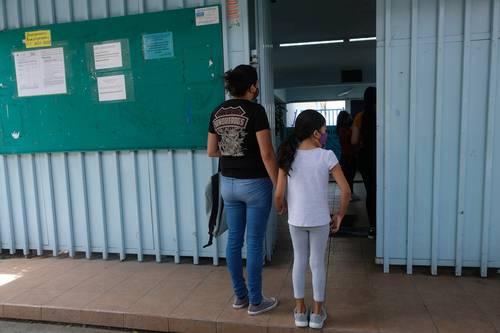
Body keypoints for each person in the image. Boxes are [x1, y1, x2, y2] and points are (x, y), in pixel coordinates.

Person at [207, 64, 279, 316]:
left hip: (228, 184)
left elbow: (211, 150)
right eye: (256, 83)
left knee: (234, 240)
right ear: (251, 86)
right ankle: (256, 301)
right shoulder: (256, 111)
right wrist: (279, 186)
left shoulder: (217, 112)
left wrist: (233, 151)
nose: (257, 87)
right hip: (255, 184)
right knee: (255, 242)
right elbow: (267, 154)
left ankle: (240, 296)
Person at [274, 110, 351, 329]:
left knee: (299, 261)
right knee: (317, 264)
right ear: (316, 133)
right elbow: (345, 191)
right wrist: (340, 215)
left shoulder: (288, 156)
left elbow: (279, 194)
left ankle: (300, 312)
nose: (326, 135)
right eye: (325, 131)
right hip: (319, 221)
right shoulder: (326, 156)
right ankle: (317, 315)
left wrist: (281, 207)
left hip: (296, 220)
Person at [351, 87, 377, 239]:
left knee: (371, 193)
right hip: (384, 157)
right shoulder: (385, 112)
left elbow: (354, 140)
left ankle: (373, 227)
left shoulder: (361, 116)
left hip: (366, 159)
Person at [336, 111, 357, 195]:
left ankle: (350, 194)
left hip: (348, 156)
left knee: (350, 177)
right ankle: (349, 195)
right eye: (349, 117)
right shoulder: (343, 130)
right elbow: (349, 140)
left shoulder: (344, 129)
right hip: (347, 157)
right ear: (345, 119)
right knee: (349, 177)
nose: (351, 118)